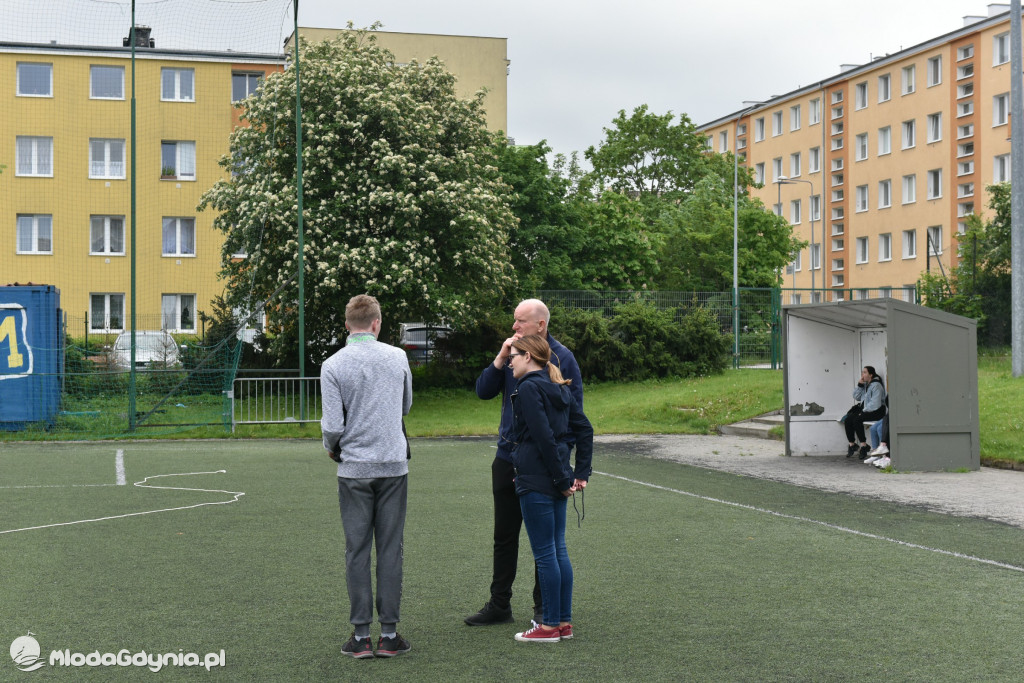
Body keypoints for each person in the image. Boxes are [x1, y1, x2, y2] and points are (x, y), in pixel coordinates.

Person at [466, 299, 583, 627]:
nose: (514, 327)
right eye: (514, 321)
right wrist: (501, 358)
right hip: (507, 458)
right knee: (504, 535)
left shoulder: (562, 359)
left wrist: (561, 459)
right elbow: (483, 391)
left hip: (543, 465)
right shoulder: (512, 354)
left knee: (543, 538)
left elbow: (575, 415)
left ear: (540, 325)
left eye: (520, 322)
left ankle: (544, 609)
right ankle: (499, 603)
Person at [321, 294, 413, 659]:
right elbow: (405, 405)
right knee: (391, 549)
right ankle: (389, 635)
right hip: (392, 465)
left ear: (348, 324)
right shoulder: (398, 357)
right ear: (377, 323)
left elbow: (332, 425)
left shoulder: (332, 365)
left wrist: (333, 447)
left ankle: (360, 638)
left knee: (356, 549)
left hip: (354, 469)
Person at [506, 334, 593, 642]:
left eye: (514, 355)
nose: (509, 361)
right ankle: (563, 623)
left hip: (538, 479)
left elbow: (542, 438)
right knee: (558, 550)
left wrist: (563, 478)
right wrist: (577, 474)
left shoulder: (529, 387)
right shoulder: (558, 386)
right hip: (556, 477)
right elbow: (584, 429)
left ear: (529, 356)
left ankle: (549, 626)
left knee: (545, 554)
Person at [843, 365, 886, 460]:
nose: (862, 375)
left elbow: (875, 404)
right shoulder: (866, 385)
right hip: (866, 409)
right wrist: (859, 385)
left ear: (871, 375)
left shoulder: (876, 385)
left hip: (877, 410)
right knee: (848, 419)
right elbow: (856, 397)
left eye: (865, 372)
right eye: (862, 372)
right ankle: (852, 444)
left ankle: (863, 446)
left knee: (857, 419)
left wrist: (862, 412)